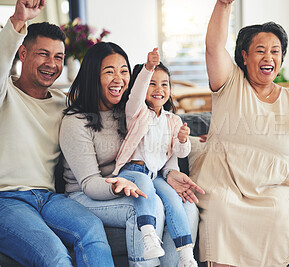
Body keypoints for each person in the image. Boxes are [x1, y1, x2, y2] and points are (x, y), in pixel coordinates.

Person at [188, 0, 289, 266]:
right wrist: (224, 5)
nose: (269, 57)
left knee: (279, 212)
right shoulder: (229, 83)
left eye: (275, 51)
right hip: (226, 182)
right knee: (221, 210)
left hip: (276, 188)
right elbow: (213, 47)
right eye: (260, 50)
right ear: (244, 56)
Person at [60, 42, 201, 267]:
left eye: (124, 71)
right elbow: (88, 183)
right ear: (92, 76)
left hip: (137, 182)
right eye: (109, 72)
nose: (119, 79)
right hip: (88, 195)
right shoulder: (76, 121)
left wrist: (172, 170)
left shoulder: (130, 112)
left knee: (188, 206)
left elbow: (156, 143)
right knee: (149, 204)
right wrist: (118, 185)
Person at [0, 0, 114, 266]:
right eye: (43, 54)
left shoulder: (65, 105)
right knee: (54, 255)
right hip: (6, 200)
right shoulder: (5, 94)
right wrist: (18, 20)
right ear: (22, 54)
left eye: (59, 57)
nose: (52, 64)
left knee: (92, 231)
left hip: (49, 198)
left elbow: (111, 124)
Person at [111, 48, 204, 267]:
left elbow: (179, 154)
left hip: (155, 176)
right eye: (152, 83)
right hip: (133, 172)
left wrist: (182, 140)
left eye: (164, 84)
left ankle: (186, 254)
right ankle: (149, 235)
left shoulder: (173, 120)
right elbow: (135, 94)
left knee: (175, 200)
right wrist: (148, 69)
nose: (159, 89)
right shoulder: (136, 113)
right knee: (145, 186)